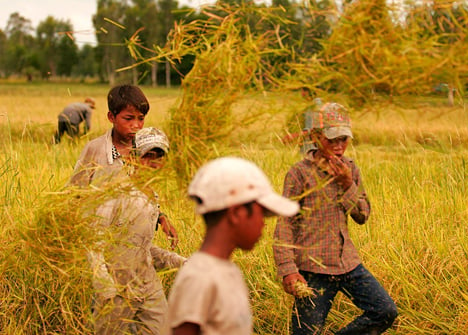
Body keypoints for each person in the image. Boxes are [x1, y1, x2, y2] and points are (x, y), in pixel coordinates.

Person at [273, 103, 398, 335]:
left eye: (344, 139)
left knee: (384, 311)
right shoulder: (299, 173)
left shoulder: (350, 169)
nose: (340, 146)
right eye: (332, 140)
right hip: (313, 270)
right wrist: (288, 270)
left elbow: (363, 215)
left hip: (348, 264)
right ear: (316, 137)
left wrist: (346, 183)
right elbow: (284, 224)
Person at [165, 157, 300, 335]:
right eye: (261, 214)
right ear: (236, 213)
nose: (263, 224)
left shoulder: (229, 271)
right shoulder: (199, 277)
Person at [87, 127, 186, 335]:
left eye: (159, 156)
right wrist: (106, 288)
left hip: (147, 283)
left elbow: (141, 247)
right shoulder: (115, 192)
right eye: (147, 155)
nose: (153, 162)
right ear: (133, 157)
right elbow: (93, 241)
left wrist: (178, 262)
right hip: (117, 286)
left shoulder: (153, 198)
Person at [67, 84, 178, 248]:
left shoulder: (143, 150)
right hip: (98, 238)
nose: (136, 125)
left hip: (129, 239)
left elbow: (144, 189)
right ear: (111, 117)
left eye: (141, 119)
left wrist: (161, 217)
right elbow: (74, 191)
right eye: (128, 118)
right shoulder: (95, 150)